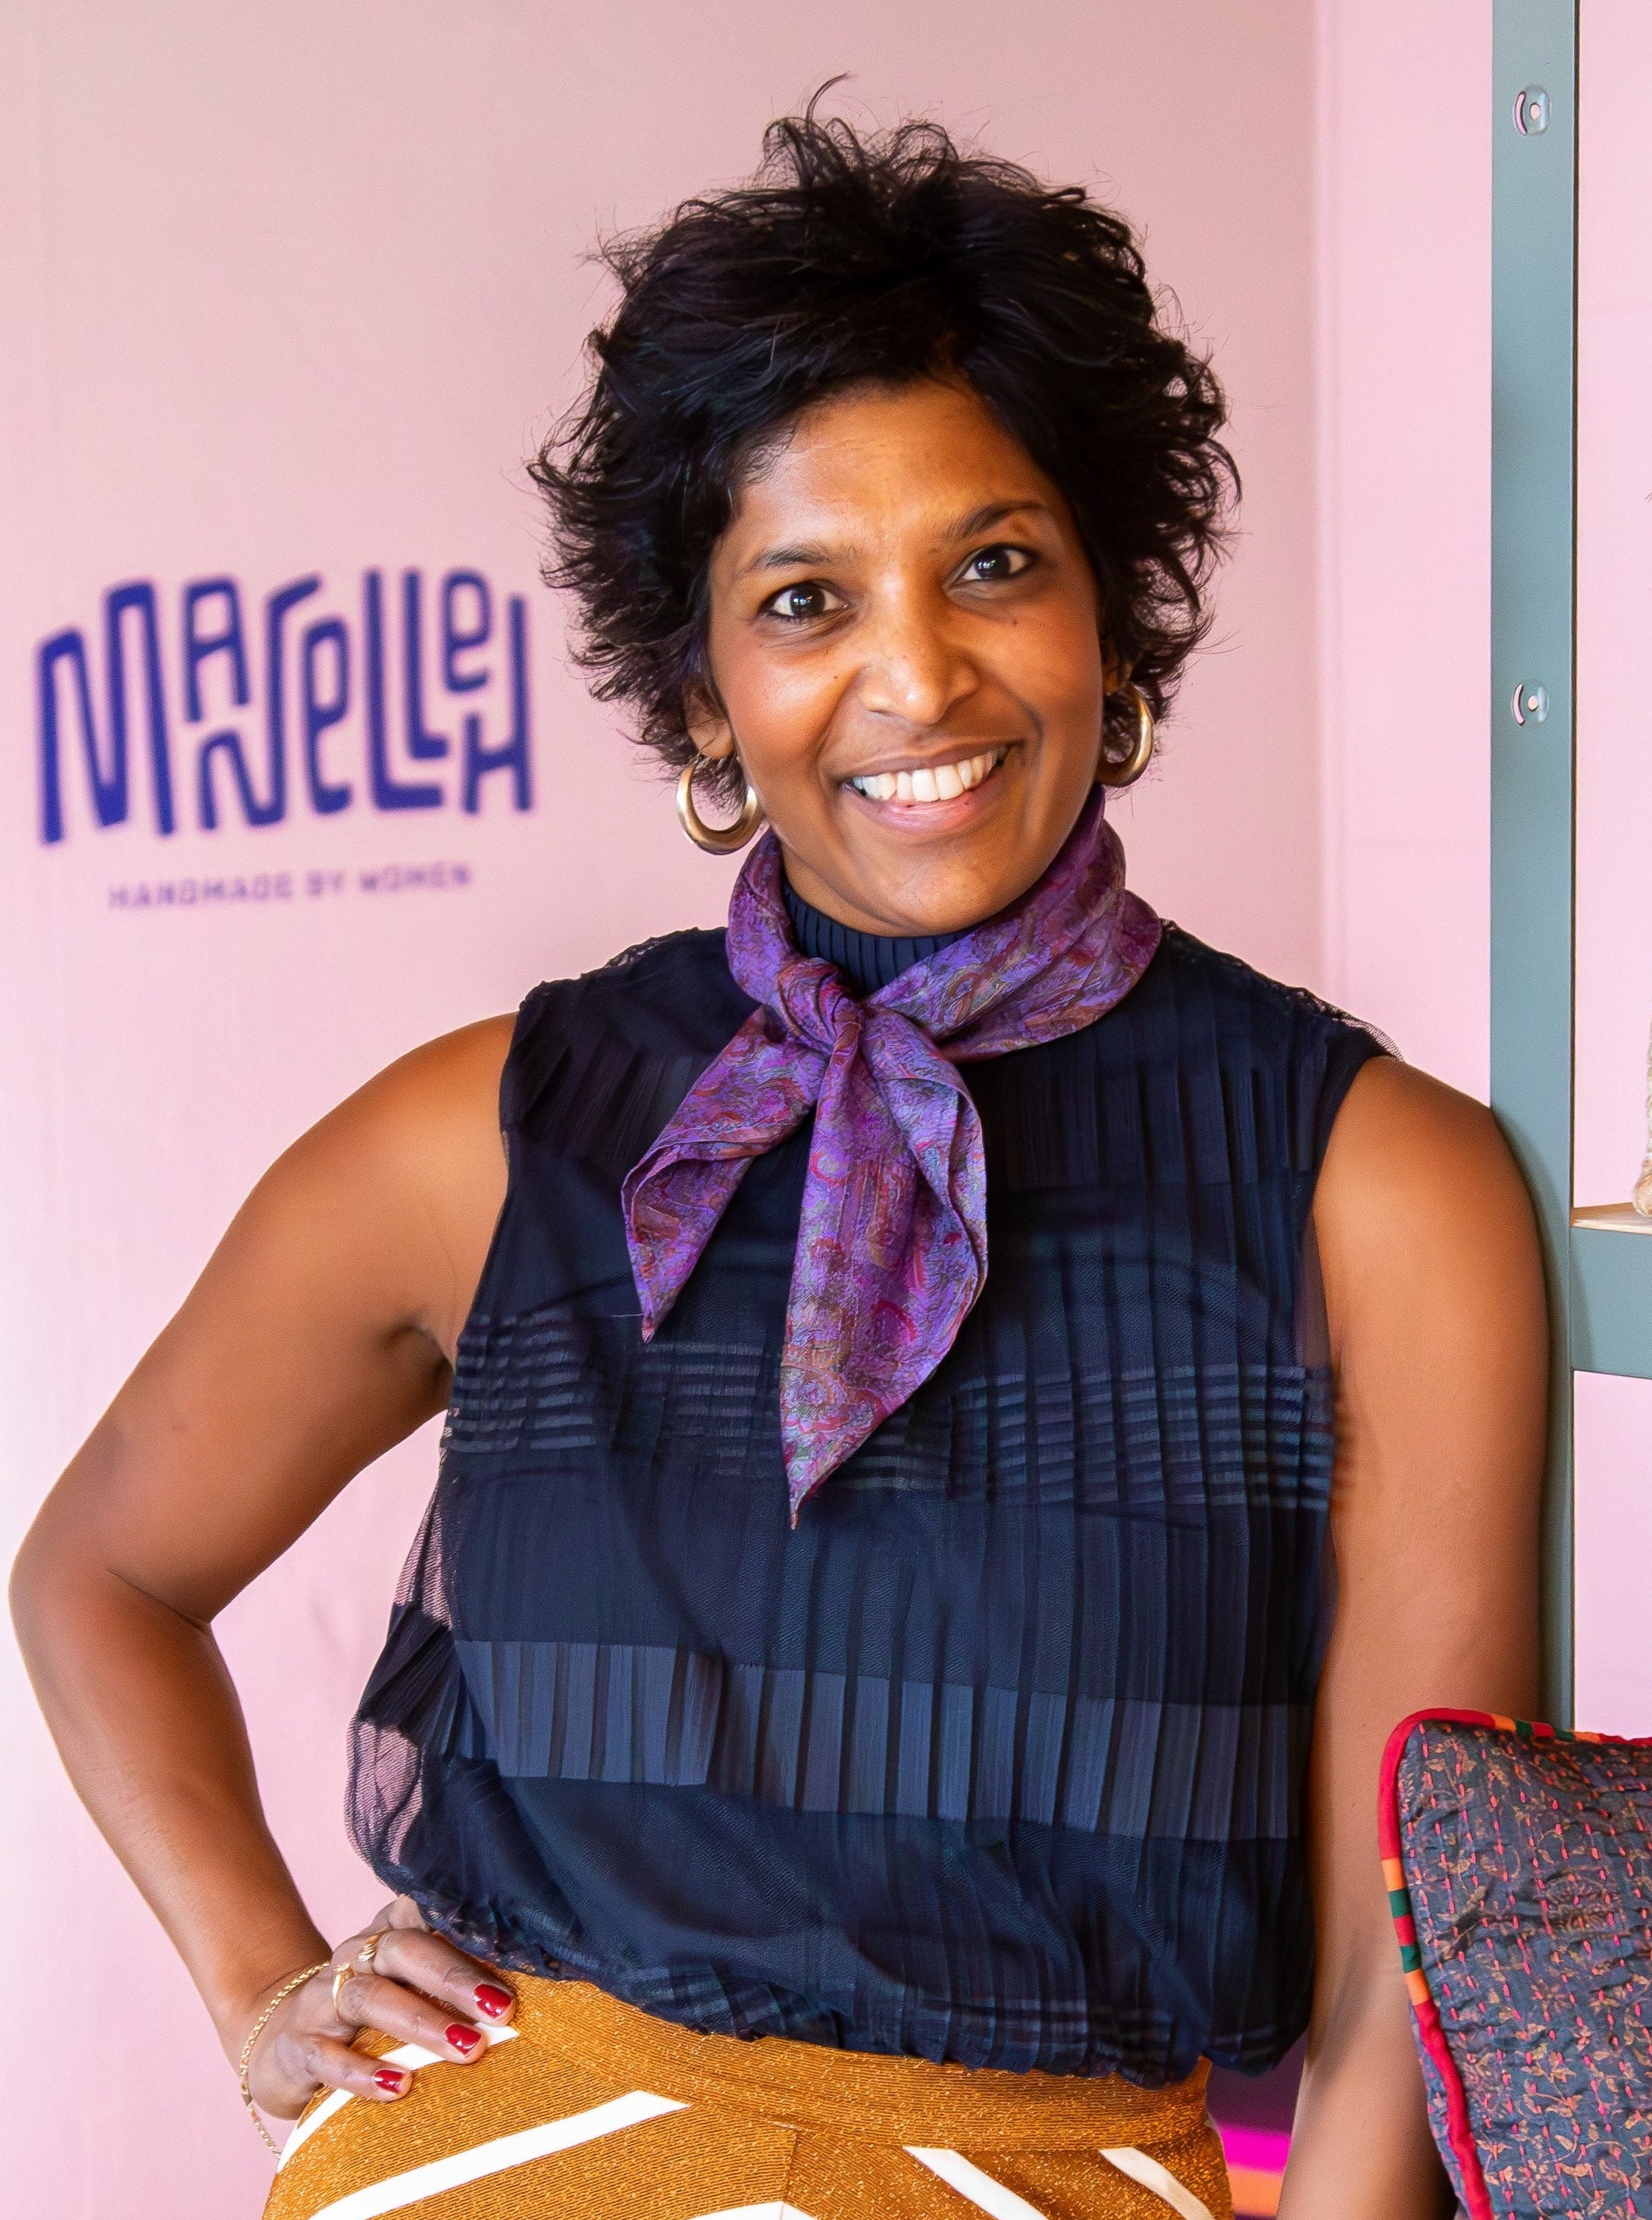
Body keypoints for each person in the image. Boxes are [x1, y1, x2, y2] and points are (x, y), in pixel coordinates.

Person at [11, 116, 1544, 2219]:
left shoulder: (1373, 1190)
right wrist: (259, 1978)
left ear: (1114, 610)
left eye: (995, 564)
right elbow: (97, 1571)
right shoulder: (494, 1136)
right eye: (806, 600)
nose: (917, 676)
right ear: (705, 695)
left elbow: (1406, 1974)